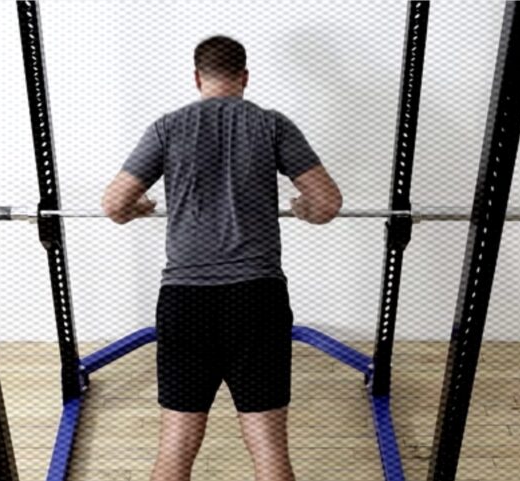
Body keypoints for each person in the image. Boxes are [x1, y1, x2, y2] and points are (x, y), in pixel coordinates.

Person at [101, 35, 342, 481]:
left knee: (175, 449)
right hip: (257, 297)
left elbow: (114, 204)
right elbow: (326, 203)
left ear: (196, 78)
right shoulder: (272, 125)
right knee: (269, 452)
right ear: (245, 77)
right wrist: (301, 209)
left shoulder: (167, 127)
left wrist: (141, 208)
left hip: (185, 300)